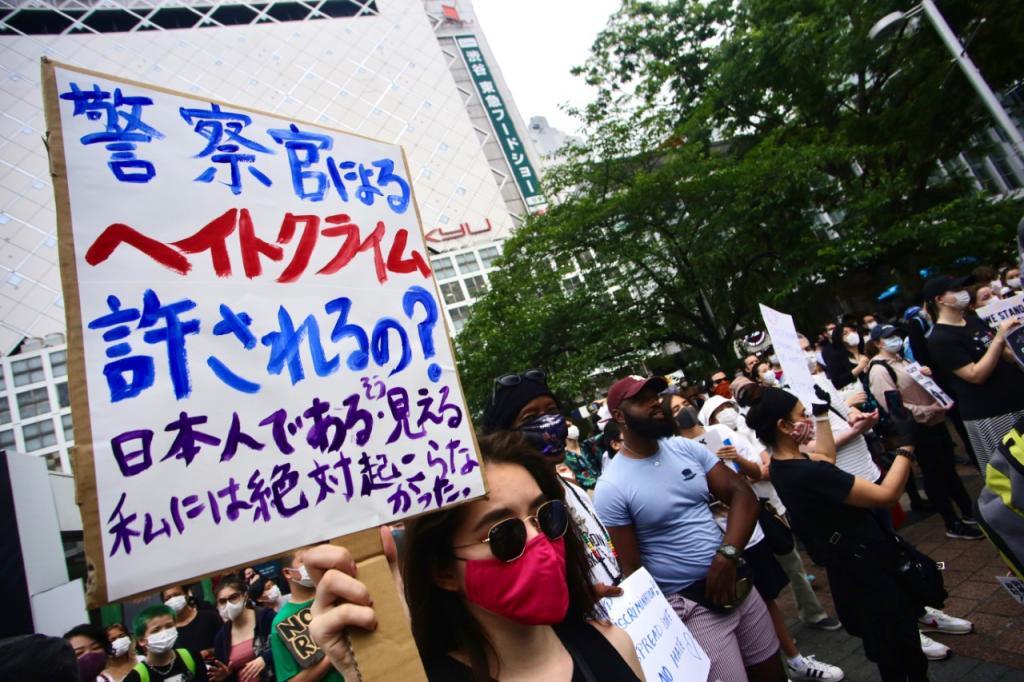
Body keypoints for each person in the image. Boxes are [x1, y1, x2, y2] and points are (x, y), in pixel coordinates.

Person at [303, 432, 645, 681]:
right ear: (443, 571)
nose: (538, 540)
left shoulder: (613, 643)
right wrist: (373, 669)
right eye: (504, 534)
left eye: (546, 516)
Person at [750, 387, 955, 680]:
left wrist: (821, 414)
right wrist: (907, 444)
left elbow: (825, 457)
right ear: (784, 426)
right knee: (902, 654)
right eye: (802, 415)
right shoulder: (809, 473)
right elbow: (886, 494)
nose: (807, 418)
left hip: (850, 567)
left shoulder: (783, 465)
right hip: (869, 572)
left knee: (890, 651)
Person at [595, 376, 787, 682]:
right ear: (619, 416)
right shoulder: (611, 486)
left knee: (772, 671)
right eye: (642, 399)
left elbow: (742, 494)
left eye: (655, 395)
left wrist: (727, 556)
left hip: (737, 583)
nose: (655, 401)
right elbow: (633, 569)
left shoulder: (684, 448)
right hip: (691, 607)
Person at [695, 395, 843, 635]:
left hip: (767, 508)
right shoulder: (692, 449)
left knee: (793, 564)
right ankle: (774, 635)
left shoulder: (735, 431)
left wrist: (740, 467)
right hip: (738, 526)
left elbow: (762, 469)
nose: (726, 413)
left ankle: (813, 613)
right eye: (718, 410)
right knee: (760, 583)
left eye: (726, 407)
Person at [482, 368, 624, 593]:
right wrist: (580, 601)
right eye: (531, 418)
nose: (548, 422)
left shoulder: (574, 490)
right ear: (505, 436)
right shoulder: (513, 516)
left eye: (552, 410)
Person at [866, 324, 982, 540]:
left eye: (896, 335)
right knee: (934, 474)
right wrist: (929, 410)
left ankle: (968, 512)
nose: (894, 339)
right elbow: (896, 408)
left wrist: (927, 376)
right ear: (877, 343)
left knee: (948, 469)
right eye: (888, 337)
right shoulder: (880, 370)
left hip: (936, 421)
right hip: (919, 426)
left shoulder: (903, 360)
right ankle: (952, 522)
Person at [925, 274, 1024, 469]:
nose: (963, 293)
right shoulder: (940, 338)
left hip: (1017, 402)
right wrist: (998, 340)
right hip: (993, 414)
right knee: (1012, 470)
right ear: (939, 299)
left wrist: (1014, 335)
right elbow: (975, 375)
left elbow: (1009, 357)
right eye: (956, 290)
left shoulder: (974, 322)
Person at [271, 549, 343, 682]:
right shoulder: (280, 623)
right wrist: (334, 653)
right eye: (304, 561)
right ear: (287, 572)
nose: (313, 563)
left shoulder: (339, 592)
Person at [209, 575, 276, 682]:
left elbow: (287, 643)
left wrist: (265, 658)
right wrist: (225, 676)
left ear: (245, 596)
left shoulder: (266, 617)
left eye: (233, 597)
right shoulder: (221, 638)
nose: (229, 604)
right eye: (222, 601)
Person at [123, 605, 207, 682]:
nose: (164, 632)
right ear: (141, 640)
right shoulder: (135, 677)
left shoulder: (192, 657)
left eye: (169, 626)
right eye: (156, 630)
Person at [160, 584, 222, 664]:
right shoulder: (168, 633)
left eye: (177, 595)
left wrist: (208, 652)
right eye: (168, 598)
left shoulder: (210, 617)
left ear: (187, 595)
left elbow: (227, 644)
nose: (173, 600)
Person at [562, 420, 600, 490]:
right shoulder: (563, 458)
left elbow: (607, 433)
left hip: (606, 487)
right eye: (568, 426)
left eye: (573, 425)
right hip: (589, 496)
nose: (573, 427)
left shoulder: (588, 445)